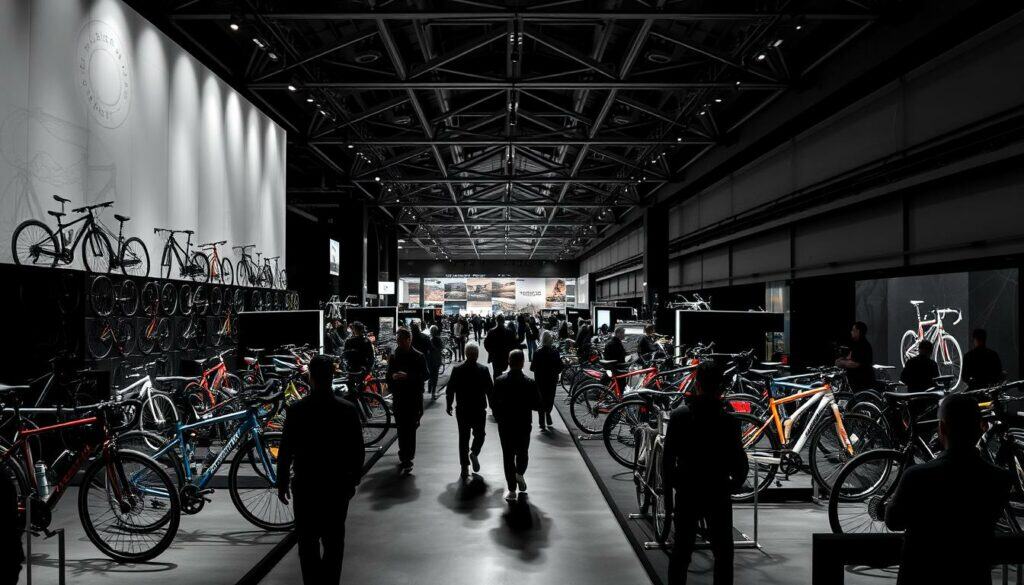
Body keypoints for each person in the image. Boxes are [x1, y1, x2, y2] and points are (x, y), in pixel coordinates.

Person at [885, 393, 1011, 585]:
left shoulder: (916, 476)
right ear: (981, 429)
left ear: (942, 428)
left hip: (920, 575)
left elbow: (893, 521)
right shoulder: (1000, 480)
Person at [277, 356, 365, 585]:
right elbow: (357, 449)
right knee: (335, 541)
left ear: (310, 378)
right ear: (332, 377)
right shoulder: (347, 410)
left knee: (307, 542)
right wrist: (353, 480)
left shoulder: (296, 411)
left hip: (306, 484)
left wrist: (282, 481)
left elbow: (286, 449)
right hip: (337, 484)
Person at [662, 361, 748, 585]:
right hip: (718, 489)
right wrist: (733, 484)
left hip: (687, 488)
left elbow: (668, 458)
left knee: (681, 551)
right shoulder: (729, 420)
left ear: (697, 384)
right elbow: (739, 461)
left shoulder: (679, 416)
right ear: (720, 387)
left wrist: (671, 490)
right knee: (723, 553)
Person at [491, 350, 541, 501]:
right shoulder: (529, 383)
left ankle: (511, 489)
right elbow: (537, 405)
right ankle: (520, 473)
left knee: (507, 456)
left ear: (508, 361)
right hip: (523, 424)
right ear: (522, 362)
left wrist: (499, 417)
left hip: (505, 424)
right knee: (523, 452)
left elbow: (493, 403)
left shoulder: (499, 381)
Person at [446, 342, 493, 479]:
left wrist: (449, 404)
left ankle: (464, 467)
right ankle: (474, 452)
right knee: (480, 434)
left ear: (466, 354)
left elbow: (450, 390)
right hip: (479, 408)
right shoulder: (483, 370)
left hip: (462, 409)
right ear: (477, 355)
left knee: (463, 437)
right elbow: (490, 391)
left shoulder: (457, 370)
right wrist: (493, 407)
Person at [387, 328, 429, 473]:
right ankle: (404, 456)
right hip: (399, 398)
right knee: (402, 428)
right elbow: (388, 376)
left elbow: (425, 375)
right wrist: (393, 378)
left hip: (413, 398)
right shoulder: (394, 356)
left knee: (410, 429)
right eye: (397, 341)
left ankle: (407, 457)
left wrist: (408, 376)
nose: (398, 343)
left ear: (408, 340)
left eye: (401, 340)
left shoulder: (418, 356)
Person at [530, 330, 563, 431]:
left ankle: (541, 422)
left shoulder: (537, 352)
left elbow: (532, 368)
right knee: (550, 398)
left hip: (540, 380)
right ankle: (548, 413)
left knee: (541, 399)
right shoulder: (555, 352)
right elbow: (560, 366)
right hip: (552, 379)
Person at [836, 321, 874, 390]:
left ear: (858, 331)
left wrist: (842, 363)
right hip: (854, 382)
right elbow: (849, 357)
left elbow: (855, 364)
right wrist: (842, 360)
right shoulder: (855, 344)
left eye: (853, 330)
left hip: (862, 382)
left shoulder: (863, 346)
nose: (851, 332)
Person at [342, 321, 375, 391]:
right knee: (360, 389)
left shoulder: (349, 341)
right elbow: (371, 357)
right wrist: (368, 369)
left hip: (352, 368)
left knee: (351, 388)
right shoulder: (366, 341)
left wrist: (346, 366)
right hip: (362, 369)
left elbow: (344, 355)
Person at [485, 314, 516, 381]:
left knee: (496, 373)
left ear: (496, 321)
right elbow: (513, 344)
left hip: (495, 356)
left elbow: (486, 344)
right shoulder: (509, 331)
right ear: (504, 321)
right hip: (506, 355)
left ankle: (497, 388)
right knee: (506, 372)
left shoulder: (491, 331)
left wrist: (491, 351)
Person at [427, 325, 444, 399]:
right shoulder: (438, 339)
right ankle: (433, 393)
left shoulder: (429, 339)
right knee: (435, 376)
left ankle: (429, 388)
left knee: (431, 374)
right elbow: (441, 348)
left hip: (430, 360)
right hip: (436, 360)